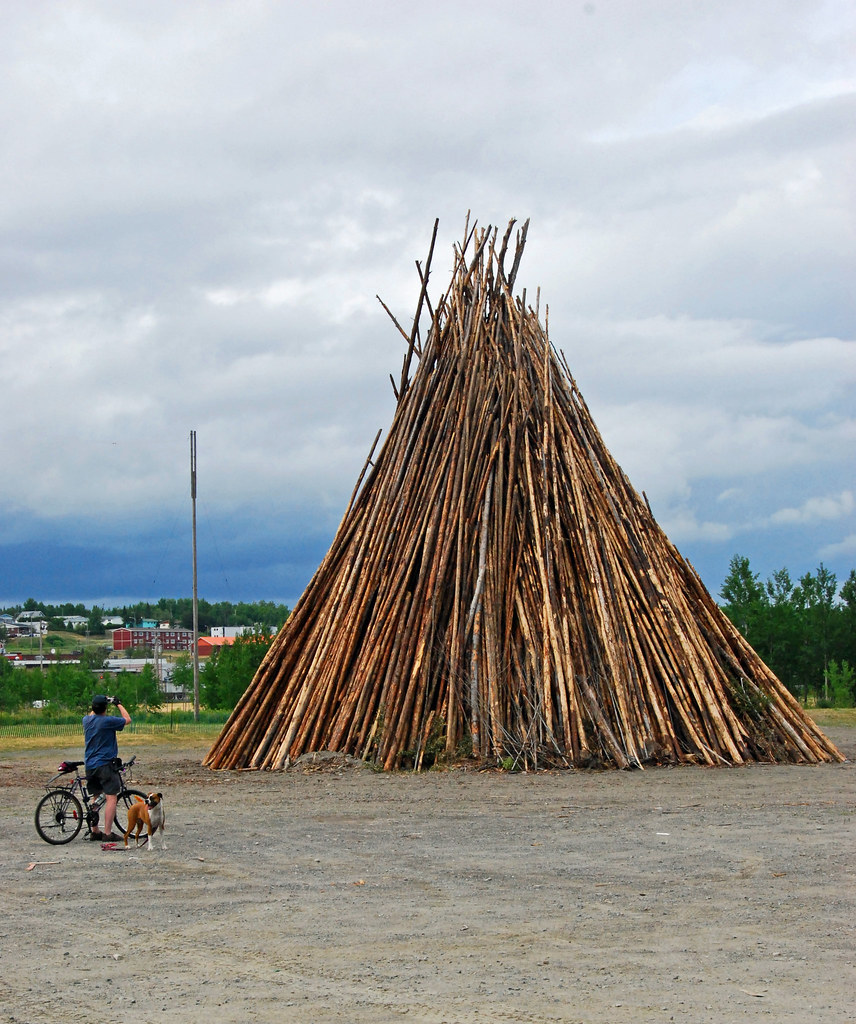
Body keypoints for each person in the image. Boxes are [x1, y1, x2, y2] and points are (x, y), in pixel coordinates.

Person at [82, 694, 132, 842]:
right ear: (105, 708)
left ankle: (95, 831)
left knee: (96, 796)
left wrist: (100, 704)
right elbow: (127, 719)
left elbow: (93, 713)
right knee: (111, 797)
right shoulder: (107, 721)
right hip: (104, 764)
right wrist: (118, 704)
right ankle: (108, 832)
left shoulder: (87, 720)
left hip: (90, 765)